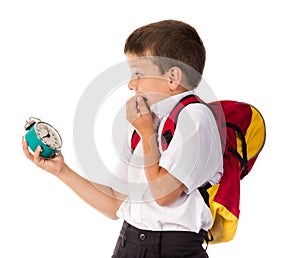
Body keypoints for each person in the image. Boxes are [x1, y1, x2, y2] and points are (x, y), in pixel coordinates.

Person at [22, 19, 223, 258]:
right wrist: (61, 170)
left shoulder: (194, 118)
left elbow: (164, 195)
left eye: (138, 73)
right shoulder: (148, 120)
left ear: (172, 78)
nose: (130, 84)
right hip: (129, 243)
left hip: (172, 249)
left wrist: (147, 133)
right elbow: (114, 204)